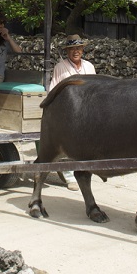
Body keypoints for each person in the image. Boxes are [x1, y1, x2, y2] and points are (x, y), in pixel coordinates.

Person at [46, 34, 96, 190]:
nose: (76, 51)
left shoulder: (89, 66)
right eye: (72, 48)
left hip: (87, 110)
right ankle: (69, 177)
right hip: (68, 111)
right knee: (68, 144)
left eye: (78, 48)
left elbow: (96, 89)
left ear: (83, 49)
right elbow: (53, 89)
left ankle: (82, 172)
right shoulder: (60, 67)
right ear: (67, 51)